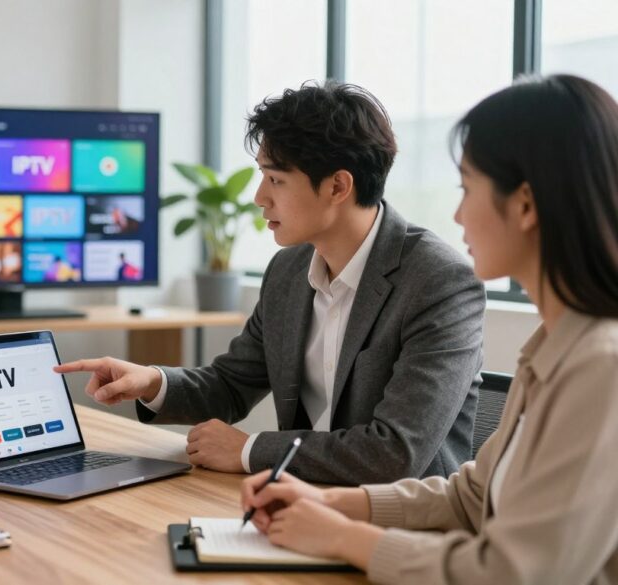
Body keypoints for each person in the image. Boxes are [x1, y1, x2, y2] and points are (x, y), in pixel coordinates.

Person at [240, 74, 618, 583]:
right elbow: (473, 496)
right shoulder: (554, 345)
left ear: (525, 205)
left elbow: (514, 573)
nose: (458, 214)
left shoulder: (601, 367)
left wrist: (339, 535)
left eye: (468, 188)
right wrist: (328, 500)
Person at [56, 81, 485, 484]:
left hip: (405, 529)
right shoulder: (288, 271)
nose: (260, 196)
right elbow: (230, 386)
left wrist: (250, 450)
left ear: (338, 186)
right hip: (302, 505)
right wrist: (151, 381)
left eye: (276, 179)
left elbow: (395, 453)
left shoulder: (438, 282)